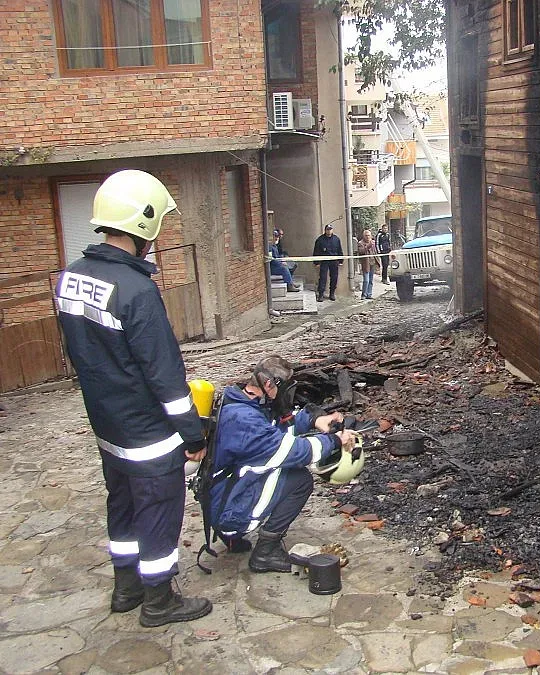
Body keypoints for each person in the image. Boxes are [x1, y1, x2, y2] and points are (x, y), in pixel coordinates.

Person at [54, 169, 212, 628]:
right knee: (158, 512)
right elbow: (166, 378)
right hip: (148, 436)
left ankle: (126, 588)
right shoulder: (138, 291)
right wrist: (192, 434)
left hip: (108, 428)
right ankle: (159, 601)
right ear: (144, 226)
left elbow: (80, 352)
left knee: (120, 505)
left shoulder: (71, 277)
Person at [209, 355, 355, 572]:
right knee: (299, 480)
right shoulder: (243, 420)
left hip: (223, 494)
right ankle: (265, 553)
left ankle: (233, 539)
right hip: (227, 510)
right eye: (284, 389)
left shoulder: (244, 404)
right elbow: (291, 451)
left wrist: (314, 420)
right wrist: (334, 441)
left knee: (282, 471)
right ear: (268, 384)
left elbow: (277, 430)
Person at [313, 224, 343, 302]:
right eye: (327, 229)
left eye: (330, 229)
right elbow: (316, 251)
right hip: (324, 261)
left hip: (334, 261)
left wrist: (341, 260)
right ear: (325, 230)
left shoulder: (336, 239)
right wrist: (316, 262)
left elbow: (339, 250)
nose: (329, 231)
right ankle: (321, 294)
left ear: (332, 230)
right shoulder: (320, 239)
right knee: (323, 278)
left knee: (334, 277)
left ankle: (332, 293)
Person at [357, 229, 380, 300]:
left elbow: (375, 252)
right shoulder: (360, 243)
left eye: (369, 235)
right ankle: (363, 294)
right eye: (366, 235)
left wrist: (378, 263)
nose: (367, 237)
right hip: (365, 264)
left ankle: (369, 294)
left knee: (370, 280)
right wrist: (368, 246)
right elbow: (361, 251)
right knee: (366, 280)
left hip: (372, 263)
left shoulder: (372, 242)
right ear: (363, 236)